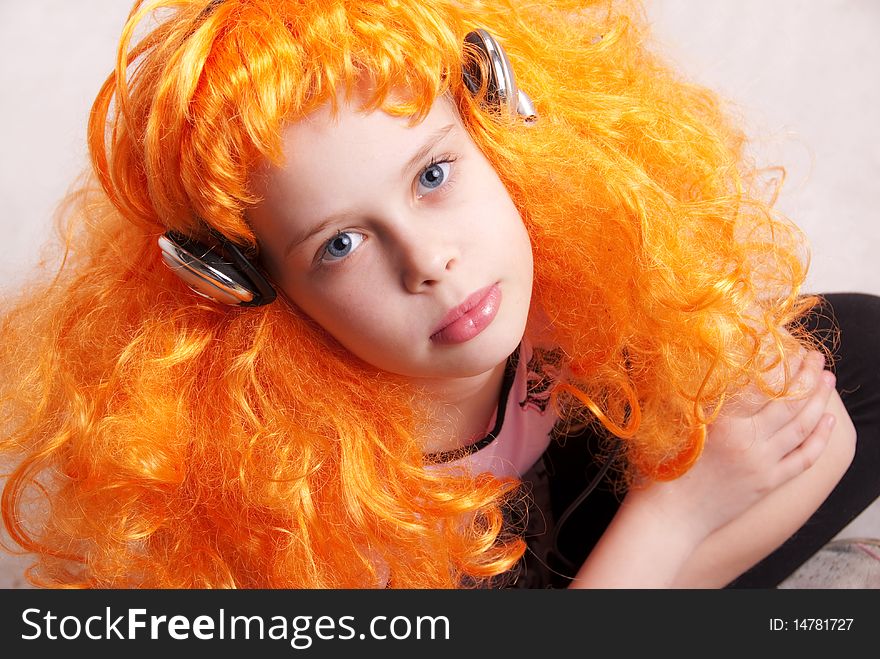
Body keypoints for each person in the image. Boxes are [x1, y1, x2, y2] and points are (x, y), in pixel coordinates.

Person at [0, 0, 876, 589]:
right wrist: (673, 522)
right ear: (250, 289)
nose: (430, 261)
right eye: (339, 243)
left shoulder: (572, 274)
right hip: (437, 561)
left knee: (860, 347)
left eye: (433, 174)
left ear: (499, 130)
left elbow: (823, 438)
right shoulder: (305, 499)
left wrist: (735, 453)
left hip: (565, 498)